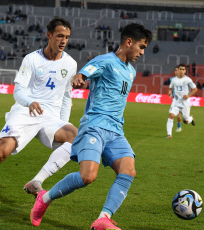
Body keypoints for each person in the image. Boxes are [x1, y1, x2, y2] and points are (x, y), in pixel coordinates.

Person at [30, 23, 152, 230]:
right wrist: (79, 79)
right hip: (94, 126)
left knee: (128, 171)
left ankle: (103, 218)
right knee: (88, 176)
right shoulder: (104, 61)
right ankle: (45, 198)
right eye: (141, 47)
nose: (142, 52)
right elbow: (83, 74)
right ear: (129, 42)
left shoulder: (130, 72)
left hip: (116, 131)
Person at [0, 17, 78, 201]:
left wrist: (64, 122)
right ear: (49, 35)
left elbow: (67, 96)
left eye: (67, 37)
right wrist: (29, 103)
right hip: (25, 112)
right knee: (1, 153)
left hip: (50, 117)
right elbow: (18, 91)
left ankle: (37, 180)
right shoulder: (32, 59)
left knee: (76, 137)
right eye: (59, 36)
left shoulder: (70, 63)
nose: (63, 40)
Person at [166, 64, 197, 139]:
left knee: (185, 121)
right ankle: (169, 135)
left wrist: (188, 95)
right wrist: (170, 92)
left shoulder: (188, 80)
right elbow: (170, 88)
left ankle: (190, 118)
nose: (182, 71)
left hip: (185, 103)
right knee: (171, 115)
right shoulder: (173, 80)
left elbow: (195, 89)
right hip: (176, 102)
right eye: (180, 69)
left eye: (183, 69)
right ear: (178, 70)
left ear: (185, 71)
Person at [170, 66, 183, 133]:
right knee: (173, 114)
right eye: (175, 70)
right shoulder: (172, 79)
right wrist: (170, 94)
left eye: (177, 70)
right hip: (174, 99)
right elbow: (171, 88)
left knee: (178, 115)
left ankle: (179, 127)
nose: (176, 72)